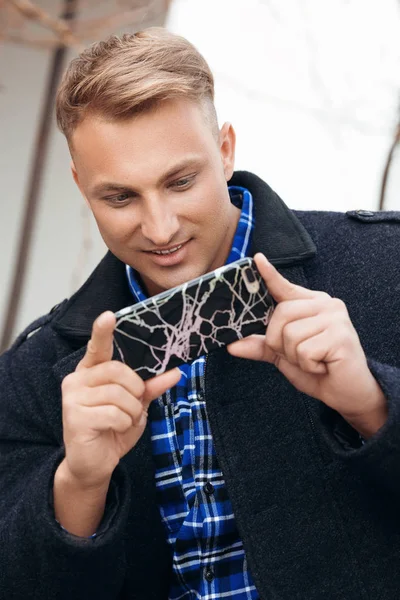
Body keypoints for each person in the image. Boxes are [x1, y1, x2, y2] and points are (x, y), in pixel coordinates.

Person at [0, 27, 399, 600]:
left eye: (180, 181)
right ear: (79, 184)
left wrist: (370, 402)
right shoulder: (34, 372)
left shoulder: (386, 263)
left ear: (227, 149)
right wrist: (78, 485)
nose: (160, 229)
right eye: (120, 197)